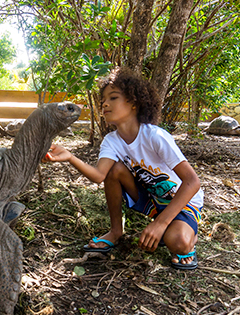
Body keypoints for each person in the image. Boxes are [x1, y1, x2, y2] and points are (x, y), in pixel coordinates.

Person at [45, 67, 203, 270]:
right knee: (115, 170)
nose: (105, 104)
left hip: (181, 201)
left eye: (113, 98)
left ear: (134, 103)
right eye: (103, 100)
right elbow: (99, 176)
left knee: (178, 242)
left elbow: (192, 182)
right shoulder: (111, 141)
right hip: (152, 198)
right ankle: (115, 231)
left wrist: (160, 224)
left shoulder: (155, 136)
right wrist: (70, 157)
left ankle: (188, 233)